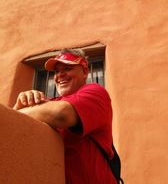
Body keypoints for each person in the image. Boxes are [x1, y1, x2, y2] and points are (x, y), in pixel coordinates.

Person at [13, 48, 116, 184]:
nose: (59, 75)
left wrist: (19, 113)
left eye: (67, 68)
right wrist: (19, 105)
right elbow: (14, 129)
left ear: (84, 72)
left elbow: (61, 115)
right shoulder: (51, 103)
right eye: (56, 71)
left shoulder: (95, 92)